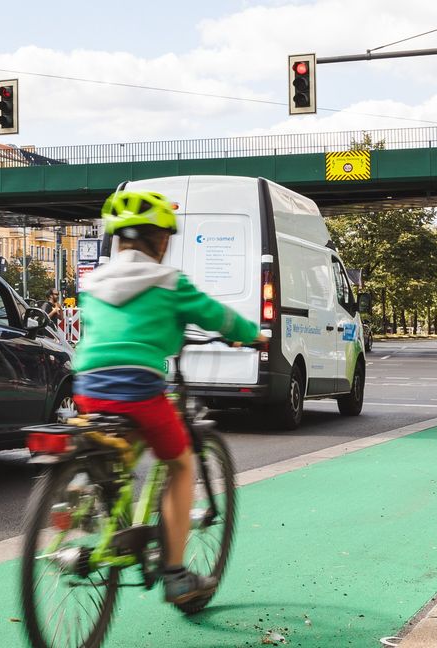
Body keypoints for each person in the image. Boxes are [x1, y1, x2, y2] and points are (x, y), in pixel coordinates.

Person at [74, 190, 264, 609]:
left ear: (118, 239)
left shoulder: (90, 283)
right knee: (179, 465)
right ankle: (176, 573)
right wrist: (252, 334)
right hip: (139, 388)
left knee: (115, 454)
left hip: (87, 387)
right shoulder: (168, 282)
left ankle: (100, 515)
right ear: (160, 241)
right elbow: (217, 316)